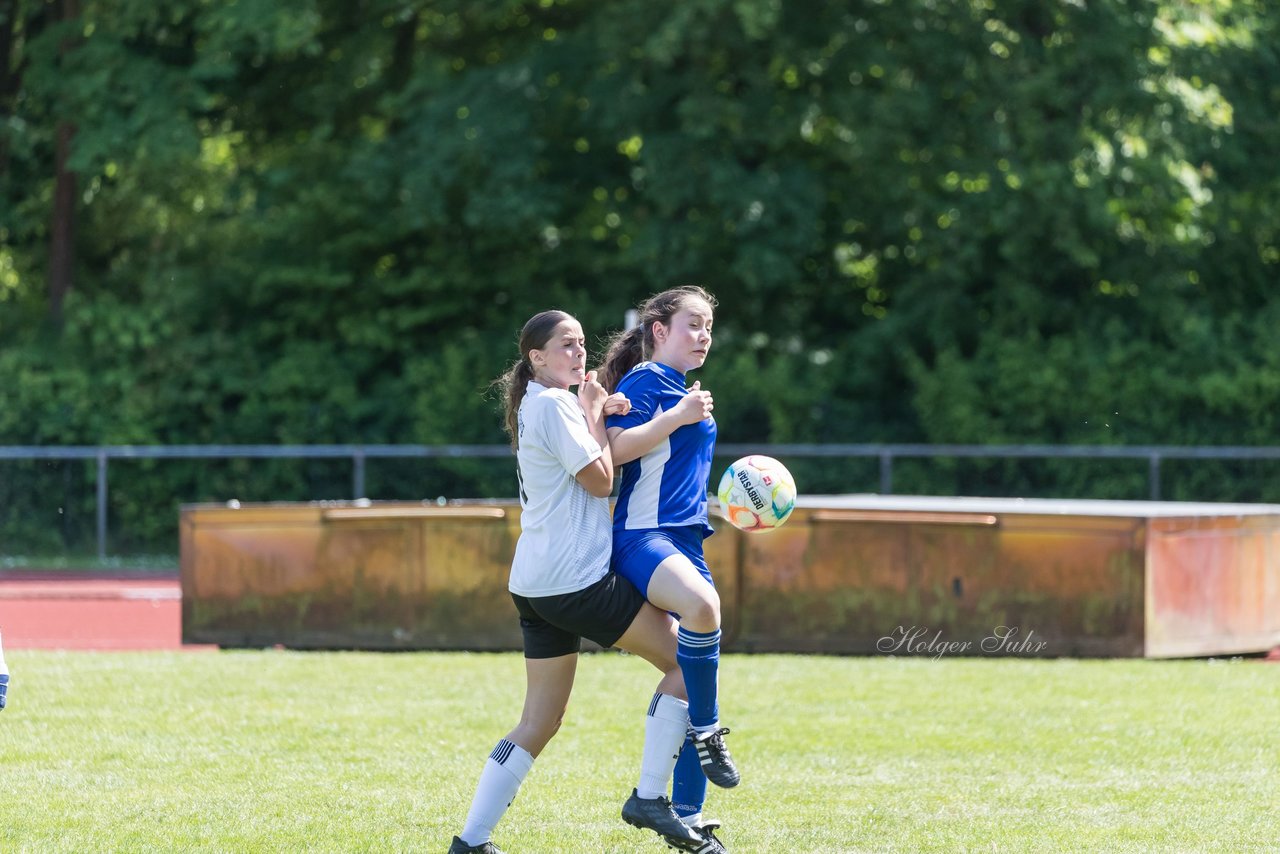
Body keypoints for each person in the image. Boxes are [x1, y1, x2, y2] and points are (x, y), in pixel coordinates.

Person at [449, 310, 711, 854]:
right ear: (535, 358)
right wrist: (594, 411)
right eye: (565, 346)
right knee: (687, 664)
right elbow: (599, 480)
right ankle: (649, 798)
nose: (578, 353)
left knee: (539, 722)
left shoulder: (541, 405)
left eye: (582, 343)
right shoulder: (552, 404)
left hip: (533, 585)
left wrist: (592, 408)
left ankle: (471, 841)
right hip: (576, 581)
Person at [598, 286, 735, 850]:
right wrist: (678, 416)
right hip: (639, 538)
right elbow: (617, 450)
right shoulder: (646, 384)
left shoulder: (683, 390)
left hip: (685, 540)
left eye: (707, 327)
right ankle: (707, 729)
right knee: (705, 611)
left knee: (693, 666)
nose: (702, 336)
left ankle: (684, 813)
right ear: (659, 330)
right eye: (692, 325)